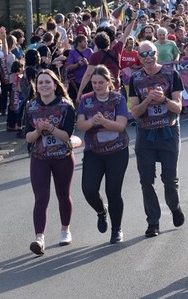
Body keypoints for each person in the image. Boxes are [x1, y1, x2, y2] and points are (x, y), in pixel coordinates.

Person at [128, 40, 185, 237]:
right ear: (139, 58)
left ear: (156, 53)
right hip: (145, 133)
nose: (147, 58)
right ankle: (153, 222)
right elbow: (134, 112)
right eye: (143, 55)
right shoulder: (135, 79)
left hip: (168, 131)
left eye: (150, 53)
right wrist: (147, 100)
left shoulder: (171, 74)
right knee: (146, 180)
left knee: (169, 179)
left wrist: (163, 100)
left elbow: (178, 108)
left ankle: (175, 207)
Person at [24, 69, 77, 256]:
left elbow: (66, 136)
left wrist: (51, 128)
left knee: (63, 195)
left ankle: (65, 230)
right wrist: (38, 131)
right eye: (40, 83)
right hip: (40, 158)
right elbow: (28, 138)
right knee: (41, 198)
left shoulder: (65, 106)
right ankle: (39, 238)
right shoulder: (31, 107)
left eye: (48, 82)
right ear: (36, 87)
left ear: (55, 85)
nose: (44, 86)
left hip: (62, 157)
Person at [76, 65, 131, 245]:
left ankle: (117, 229)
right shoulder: (86, 100)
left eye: (101, 83)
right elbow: (80, 125)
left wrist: (104, 121)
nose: (97, 86)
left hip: (117, 150)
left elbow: (121, 125)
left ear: (109, 82)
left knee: (113, 191)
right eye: (94, 83)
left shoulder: (118, 99)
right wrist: (93, 121)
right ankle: (101, 211)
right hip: (94, 151)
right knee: (89, 189)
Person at [65, 34, 92, 103]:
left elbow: (94, 66)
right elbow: (69, 67)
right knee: (76, 101)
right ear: (79, 43)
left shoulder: (89, 51)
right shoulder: (72, 52)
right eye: (85, 41)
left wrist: (87, 63)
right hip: (76, 81)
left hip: (87, 81)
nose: (87, 43)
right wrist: (78, 64)